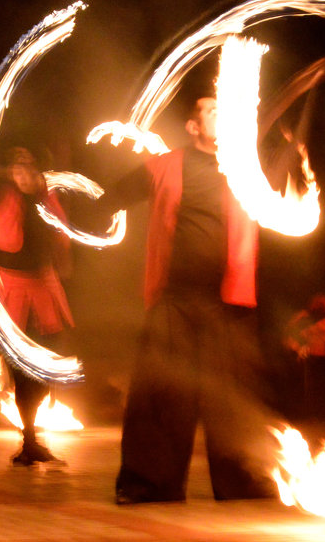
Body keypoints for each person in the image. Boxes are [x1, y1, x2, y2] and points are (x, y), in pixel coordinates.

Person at [101, 96, 278, 503]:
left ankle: (245, 481)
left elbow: (283, 199)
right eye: (213, 110)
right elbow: (113, 195)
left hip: (228, 302)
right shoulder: (165, 165)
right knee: (161, 391)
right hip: (174, 299)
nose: (223, 114)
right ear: (193, 127)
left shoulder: (246, 170)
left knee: (233, 396)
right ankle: (148, 484)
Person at [0, 146, 75, 466]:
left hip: (44, 286)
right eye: (15, 170)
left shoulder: (47, 198)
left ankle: (32, 438)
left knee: (48, 362)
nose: (21, 175)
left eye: (27, 168)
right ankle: (30, 440)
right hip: (12, 289)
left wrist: (64, 261)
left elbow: (61, 238)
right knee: (21, 368)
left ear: (37, 171)